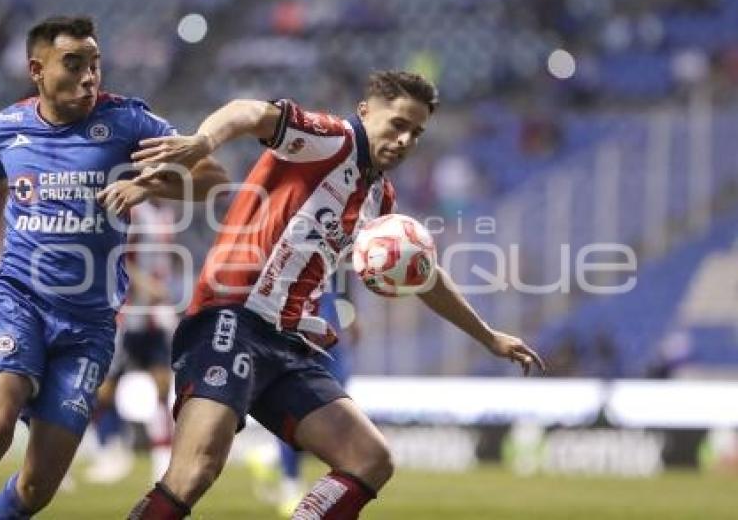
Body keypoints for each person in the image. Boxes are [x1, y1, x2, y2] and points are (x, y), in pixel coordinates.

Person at [127, 70, 545, 519]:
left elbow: (423, 274)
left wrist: (488, 337)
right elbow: (247, 111)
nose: (405, 140)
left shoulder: (378, 198)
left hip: (291, 344)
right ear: (366, 112)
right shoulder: (332, 139)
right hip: (232, 316)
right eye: (398, 124)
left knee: (369, 458)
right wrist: (204, 141)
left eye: (417, 133)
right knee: (194, 471)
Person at [0, 15, 227, 520]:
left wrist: (145, 184)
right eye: (74, 65)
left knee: (36, 488)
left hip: (89, 321)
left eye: (95, 64)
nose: (90, 77)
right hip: (18, 298)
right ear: (37, 69)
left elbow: (211, 176)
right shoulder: (7, 128)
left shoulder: (128, 122)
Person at [86, 197, 179, 485]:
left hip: (154, 315)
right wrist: (144, 283)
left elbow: (162, 256)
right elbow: (118, 254)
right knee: (103, 389)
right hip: (126, 313)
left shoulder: (167, 210)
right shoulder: (136, 210)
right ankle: (109, 449)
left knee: (164, 385)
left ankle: (163, 459)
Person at [246, 285, 359, 517]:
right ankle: (290, 484)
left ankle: (271, 457)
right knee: (301, 409)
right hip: (298, 323)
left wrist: (352, 316)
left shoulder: (338, 258)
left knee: (335, 412)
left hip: (330, 324)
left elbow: (342, 281)